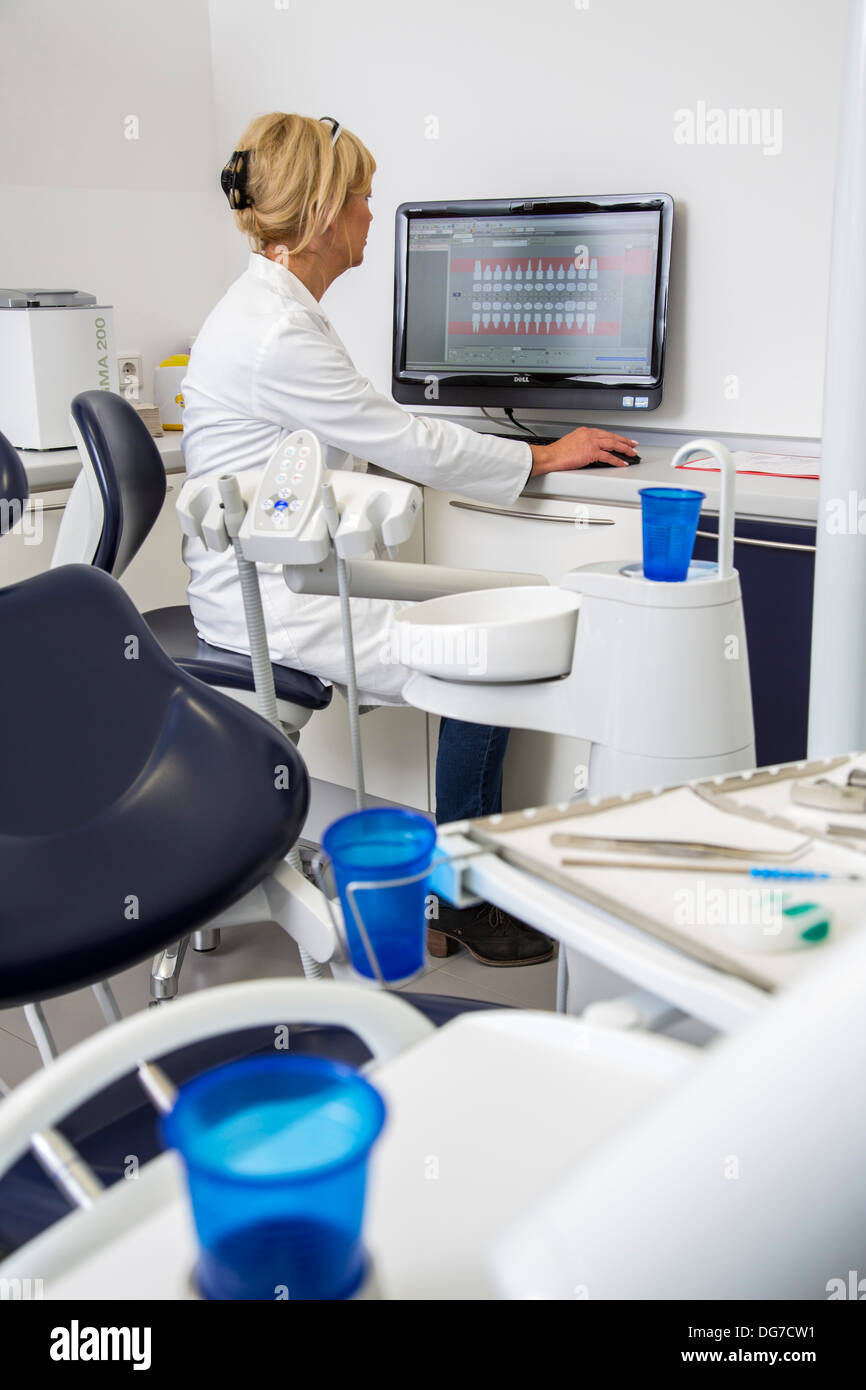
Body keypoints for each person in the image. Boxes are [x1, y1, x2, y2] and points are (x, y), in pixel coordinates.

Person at [181, 112, 638, 967]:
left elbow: (372, 427)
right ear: (320, 214)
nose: (367, 218)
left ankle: (457, 882)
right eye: (360, 200)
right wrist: (544, 455)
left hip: (280, 579)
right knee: (488, 652)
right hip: (279, 606)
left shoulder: (272, 313)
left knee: (484, 615)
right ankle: (459, 895)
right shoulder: (276, 332)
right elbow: (403, 442)